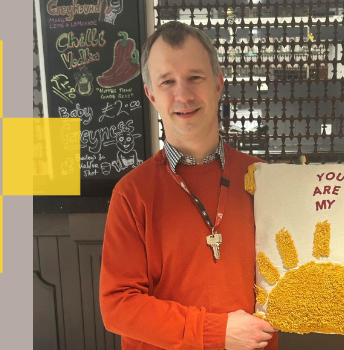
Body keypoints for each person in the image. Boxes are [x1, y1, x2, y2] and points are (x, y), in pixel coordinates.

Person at [98, 21, 277, 350]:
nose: (183, 94)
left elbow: (312, 256)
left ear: (218, 84)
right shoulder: (132, 193)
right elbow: (118, 306)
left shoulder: (264, 179)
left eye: (195, 77)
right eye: (167, 81)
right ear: (151, 95)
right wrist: (215, 332)